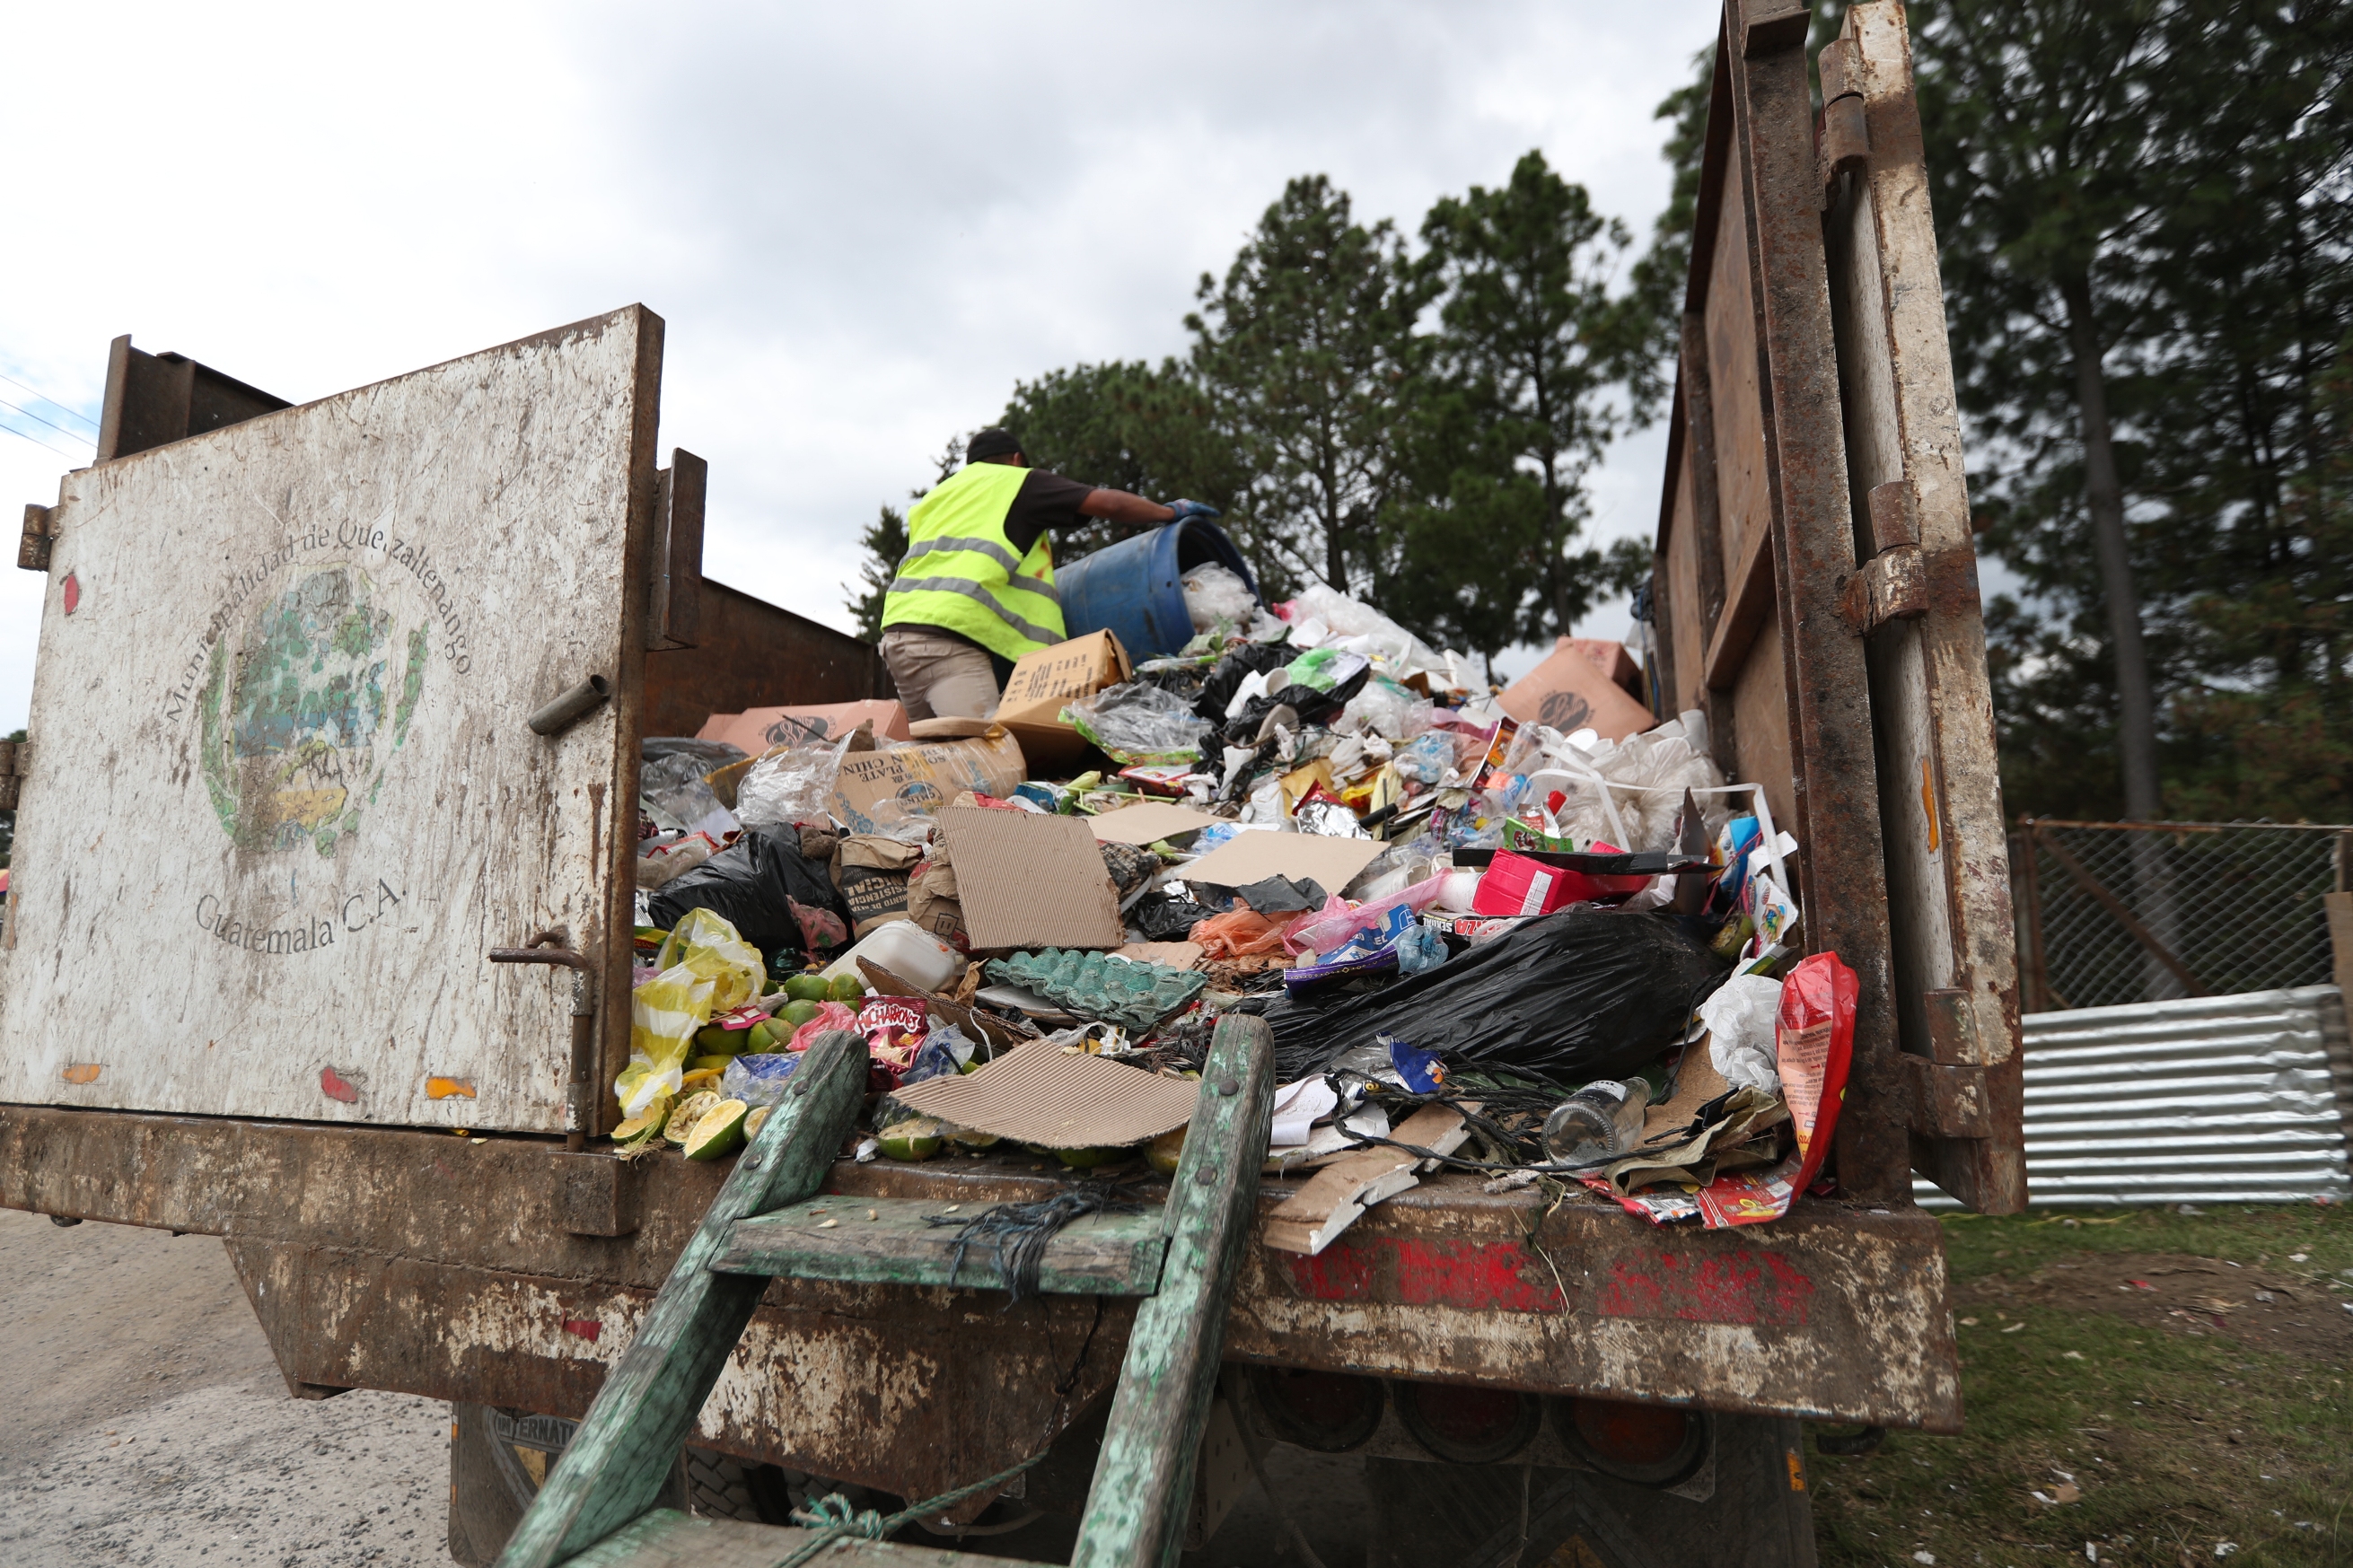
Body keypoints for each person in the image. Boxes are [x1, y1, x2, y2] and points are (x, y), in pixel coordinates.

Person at [878, 427, 1216, 720]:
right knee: (987, 760)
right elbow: (1107, 504)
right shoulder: (1016, 481)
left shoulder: (935, 499)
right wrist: (1169, 510)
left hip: (897, 638)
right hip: (949, 642)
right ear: (1015, 459)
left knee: (928, 762)